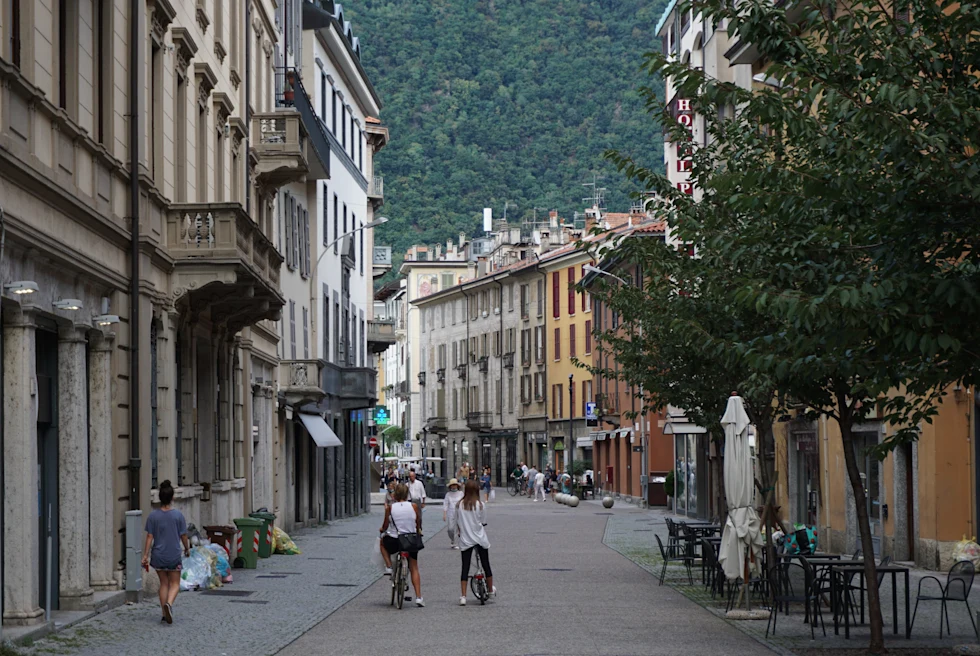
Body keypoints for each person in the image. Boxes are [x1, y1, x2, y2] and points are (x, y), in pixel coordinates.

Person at [141, 480, 190, 624]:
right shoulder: (178, 516)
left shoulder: (153, 516)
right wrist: (187, 548)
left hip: (158, 555)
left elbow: (150, 537)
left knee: (163, 584)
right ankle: (169, 604)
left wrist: (145, 555)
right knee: (175, 583)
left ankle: (164, 613)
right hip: (173, 554)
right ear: (172, 497)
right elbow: (184, 535)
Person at [450, 480, 495, 606]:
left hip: (466, 539)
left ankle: (463, 596)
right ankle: (490, 590)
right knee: (486, 565)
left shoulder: (459, 505)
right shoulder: (480, 505)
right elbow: (483, 521)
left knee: (465, 567)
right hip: (480, 538)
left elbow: (457, 522)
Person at [379, 483, 425, 607]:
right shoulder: (414, 506)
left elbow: (385, 526)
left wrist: (382, 530)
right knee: (414, 567)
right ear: (407, 494)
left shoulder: (390, 508)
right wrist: (418, 530)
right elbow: (418, 522)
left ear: (395, 494)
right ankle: (419, 597)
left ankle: (389, 566)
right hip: (410, 540)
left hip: (395, 540)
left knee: (382, 542)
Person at [443, 478, 464, 549]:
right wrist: (444, 514)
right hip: (451, 513)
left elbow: (463, 503)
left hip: (460, 513)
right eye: (452, 485)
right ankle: (452, 539)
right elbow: (445, 504)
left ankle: (458, 542)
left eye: (455, 485)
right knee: (450, 529)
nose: (454, 486)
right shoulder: (448, 494)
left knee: (460, 528)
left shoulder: (461, 493)